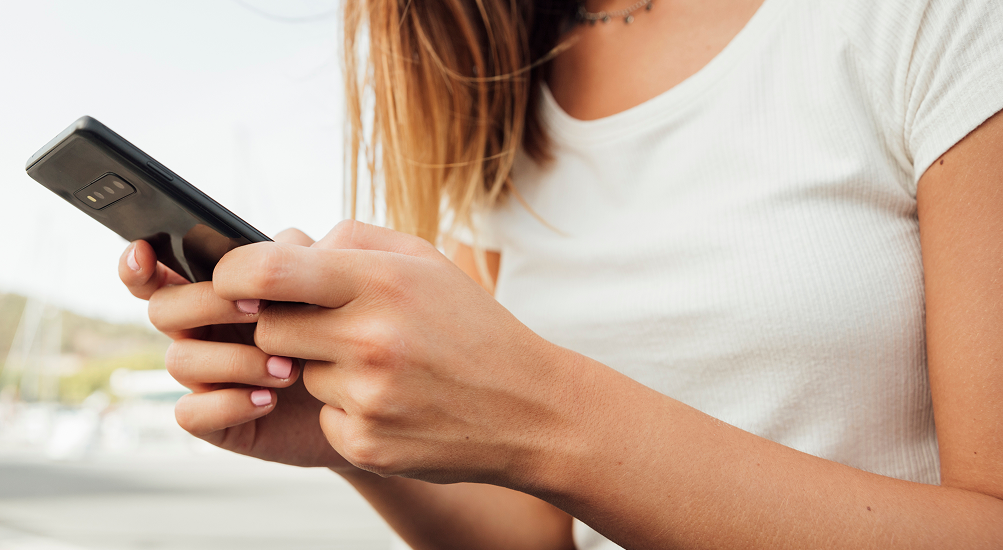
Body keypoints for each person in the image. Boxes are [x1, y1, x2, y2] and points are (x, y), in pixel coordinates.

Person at [118, 0, 1003, 548]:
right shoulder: (492, 77)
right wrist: (352, 436)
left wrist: (546, 412)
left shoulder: (927, 18)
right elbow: (545, 534)